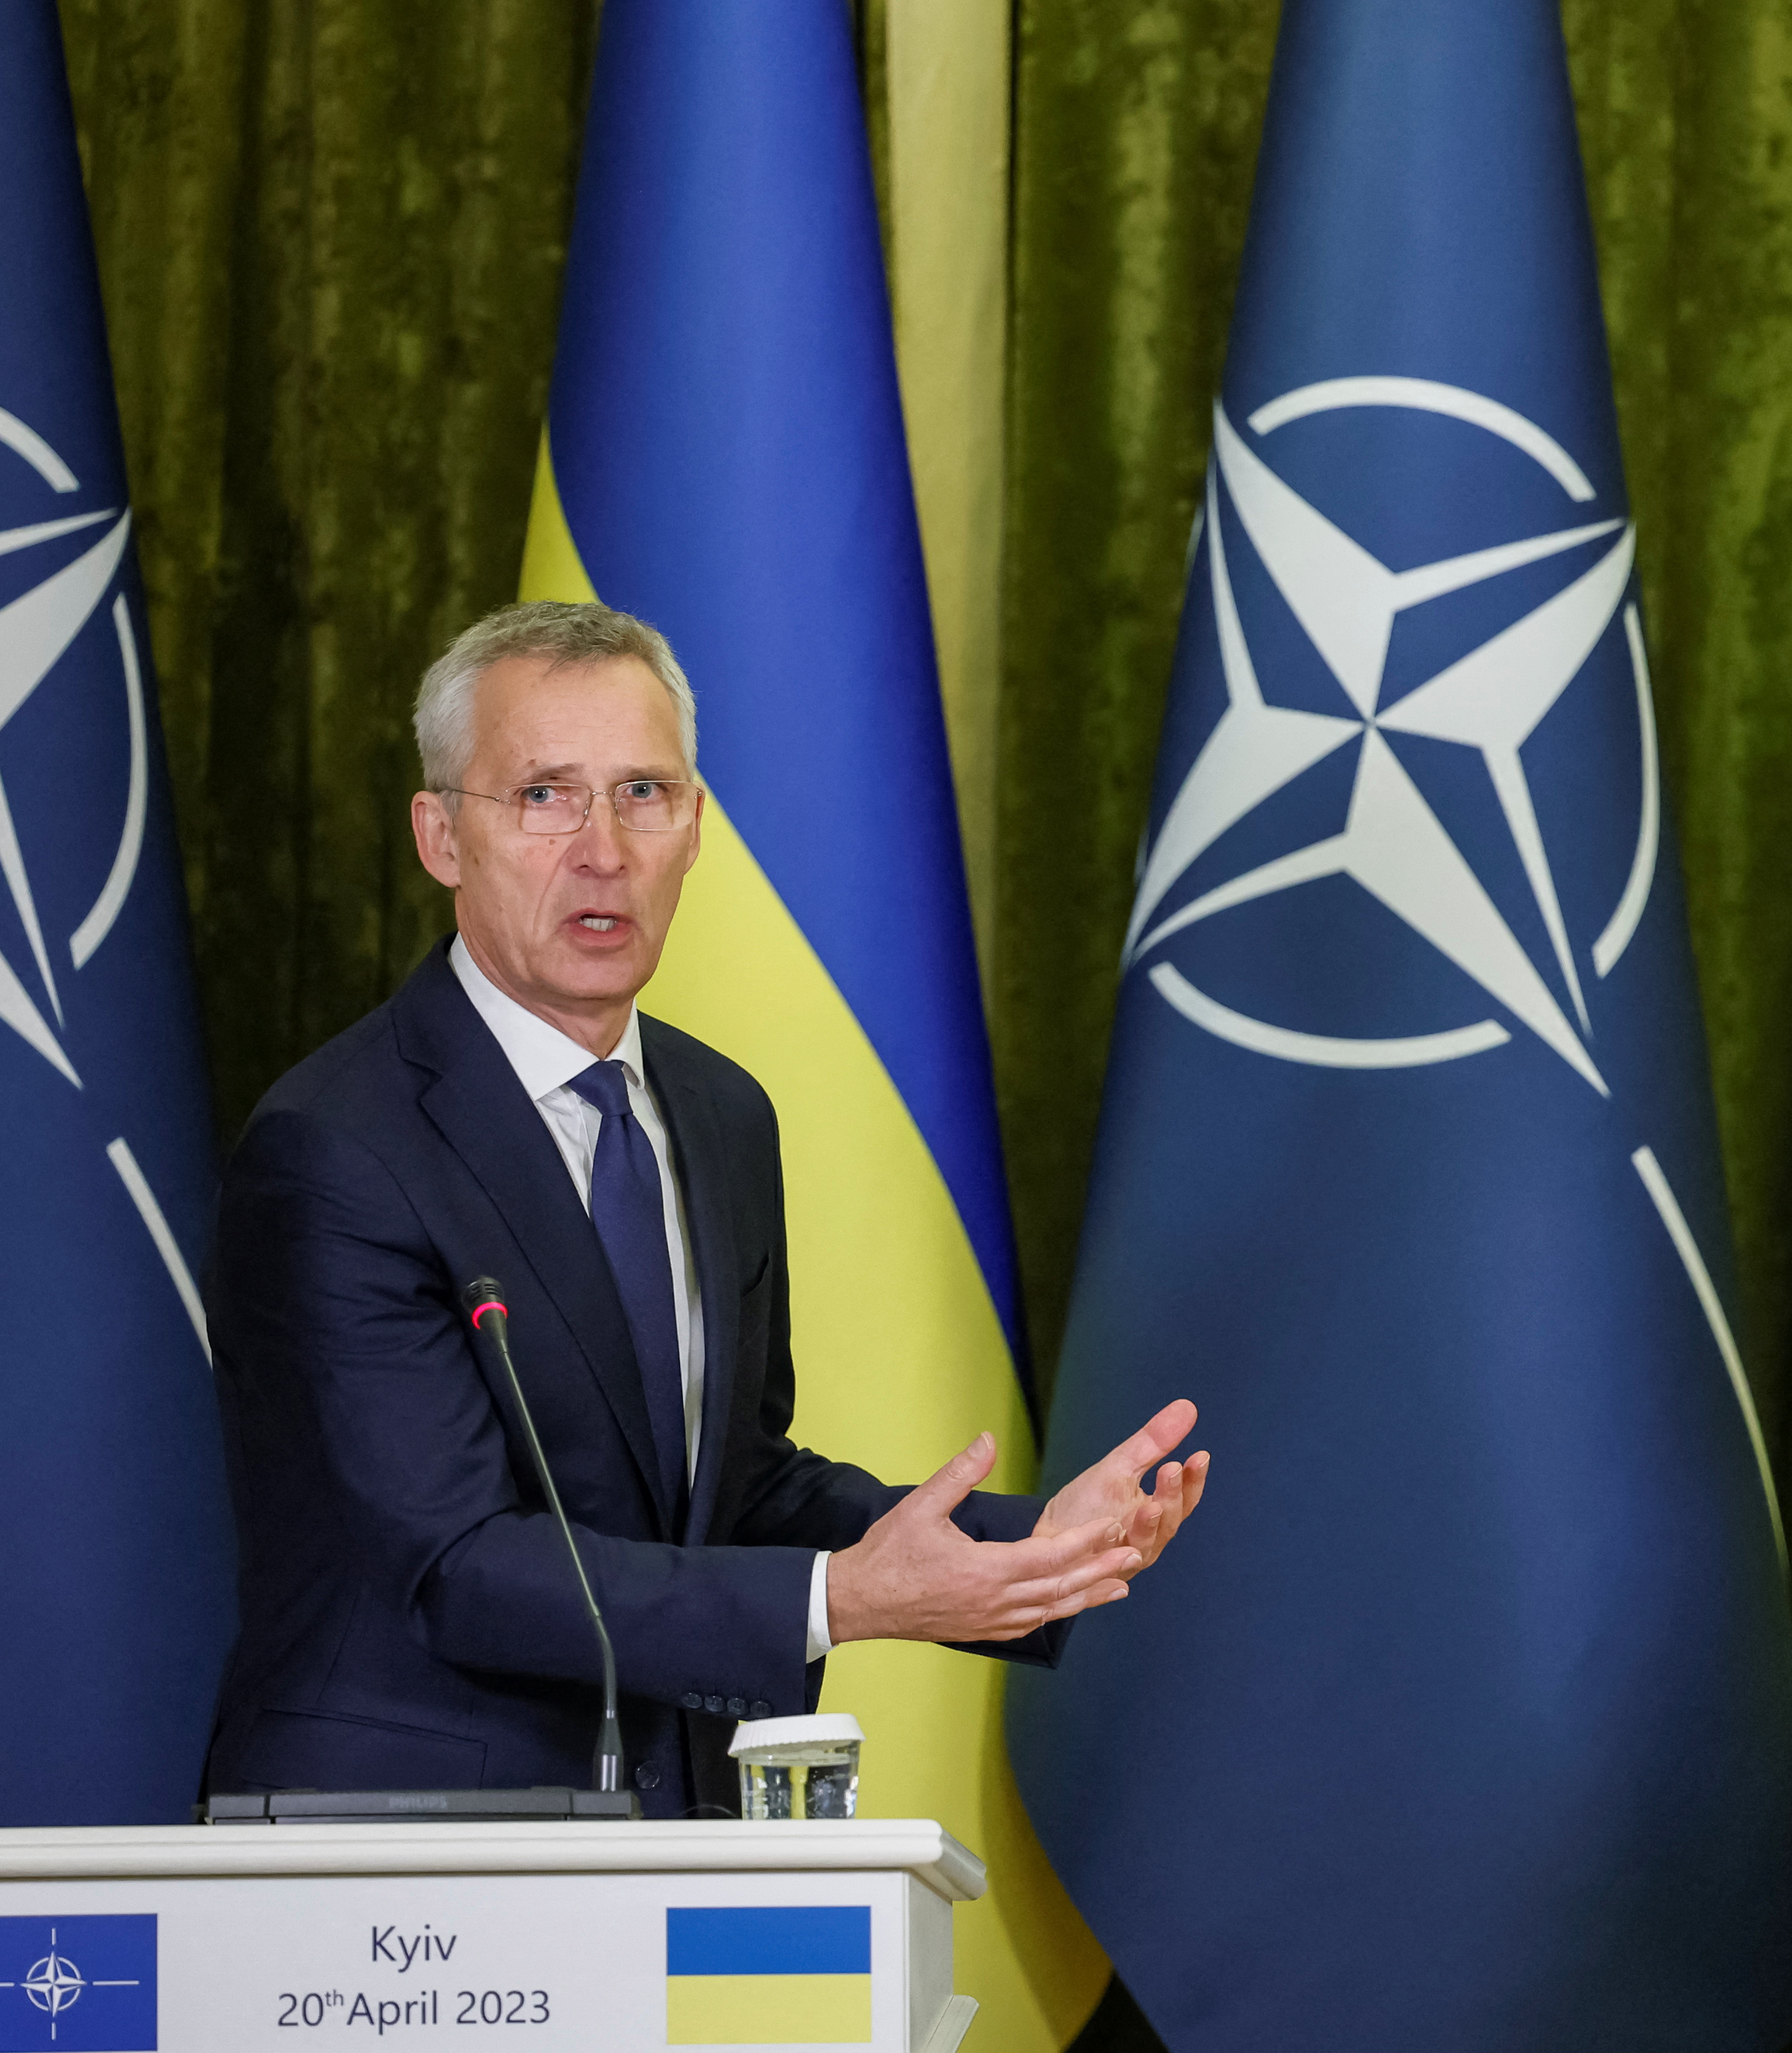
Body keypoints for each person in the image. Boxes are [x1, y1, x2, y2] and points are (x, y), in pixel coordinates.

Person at [203, 602, 1209, 1813]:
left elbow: (734, 1484)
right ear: (439, 837)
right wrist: (840, 1600)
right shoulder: (337, 1148)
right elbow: (457, 1566)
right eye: (543, 795)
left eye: (644, 794)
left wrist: (1035, 1547)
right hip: (406, 1853)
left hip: (670, 1822)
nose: (601, 849)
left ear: (693, 828)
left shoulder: (719, 1114)